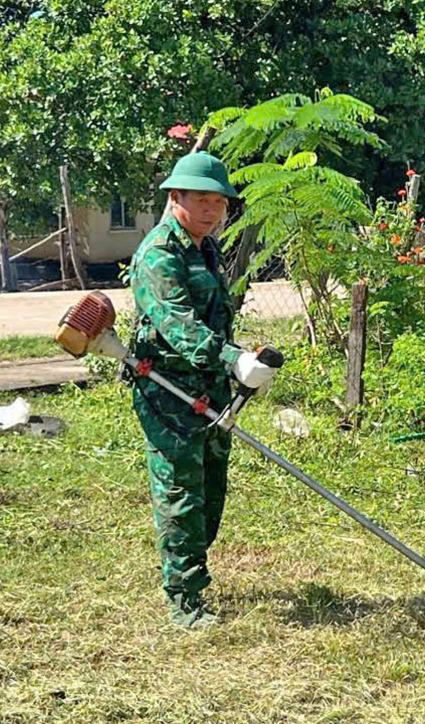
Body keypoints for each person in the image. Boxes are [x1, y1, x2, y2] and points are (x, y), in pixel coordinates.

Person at [128, 151, 275, 628]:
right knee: (181, 493)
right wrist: (233, 358)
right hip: (167, 390)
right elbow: (178, 325)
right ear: (176, 198)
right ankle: (184, 601)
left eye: (220, 203)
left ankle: (191, 571)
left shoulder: (204, 247)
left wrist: (234, 362)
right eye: (202, 200)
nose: (213, 211)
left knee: (211, 491)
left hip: (211, 388)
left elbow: (214, 318)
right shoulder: (158, 254)